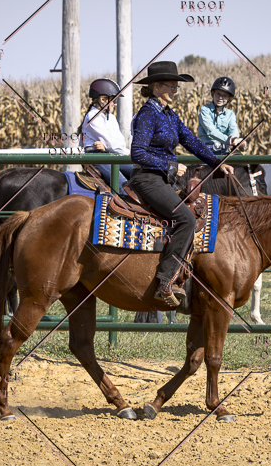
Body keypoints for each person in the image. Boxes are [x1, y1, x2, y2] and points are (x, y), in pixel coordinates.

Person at [129, 61, 234, 306]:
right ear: (156, 87)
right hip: (148, 179)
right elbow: (137, 153)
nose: (176, 91)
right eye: (172, 86)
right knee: (186, 219)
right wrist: (170, 166)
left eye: (177, 86)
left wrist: (217, 163)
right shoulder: (147, 114)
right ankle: (165, 280)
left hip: (161, 179)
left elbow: (191, 141)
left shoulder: (169, 114)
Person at [81, 78, 134, 186]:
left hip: (111, 154)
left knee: (139, 173)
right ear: (103, 99)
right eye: (114, 101)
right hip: (97, 157)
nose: (115, 104)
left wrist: (106, 147)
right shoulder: (92, 116)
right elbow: (111, 143)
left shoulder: (112, 118)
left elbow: (120, 143)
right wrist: (127, 152)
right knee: (122, 185)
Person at [197, 76, 245, 156]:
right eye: (218, 94)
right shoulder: (204, 110)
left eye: (224, 96)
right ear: (213, 93)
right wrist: (229, 140)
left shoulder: (230, 114)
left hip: (225, 152)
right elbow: (210, 131)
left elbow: (233, 130)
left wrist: (235, 139)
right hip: (206, 151)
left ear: (229, 98)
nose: (220, 98)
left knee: (246, 162)